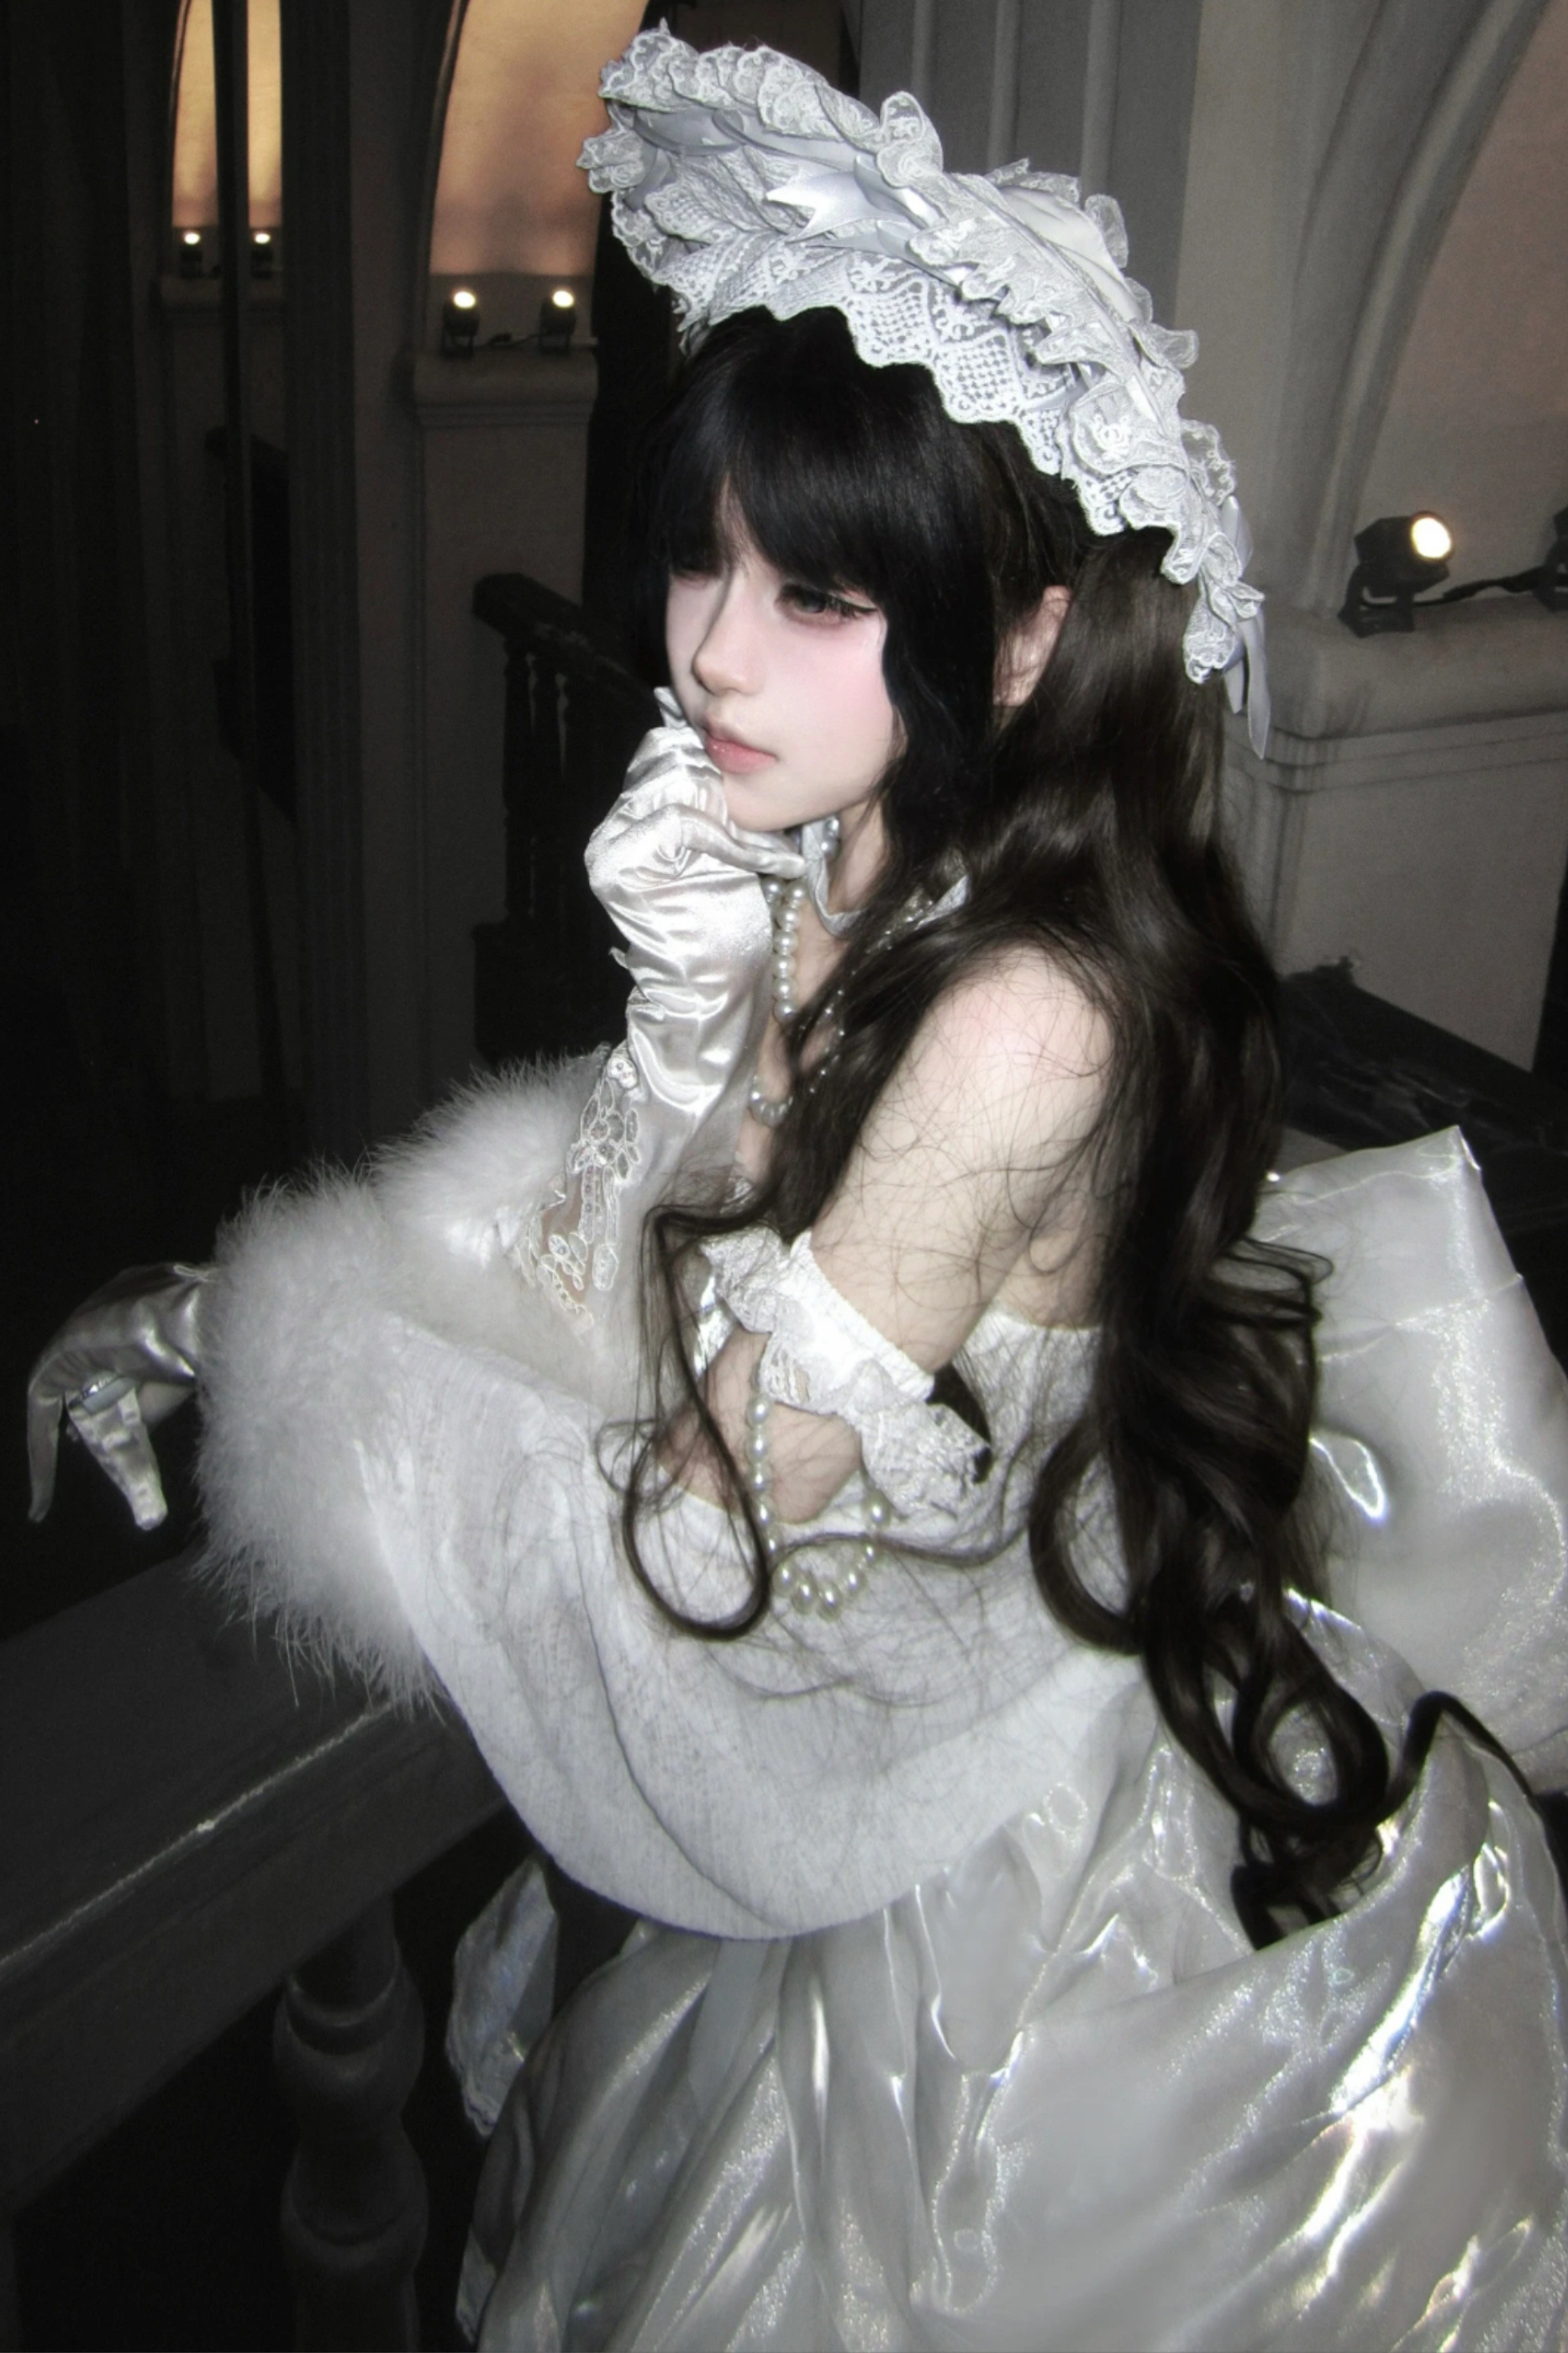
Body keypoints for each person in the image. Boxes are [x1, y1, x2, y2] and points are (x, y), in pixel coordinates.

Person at [27, 30, 1568, 2350]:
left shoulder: (1028, 1011)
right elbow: (696, 1236)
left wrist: (304, 1347)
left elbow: (706, 1525)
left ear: (1023, 636)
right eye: (702, 559)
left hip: (1008, 1812)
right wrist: (698, 1030)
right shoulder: (872, 848)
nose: (710, 651)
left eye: (817, 594)